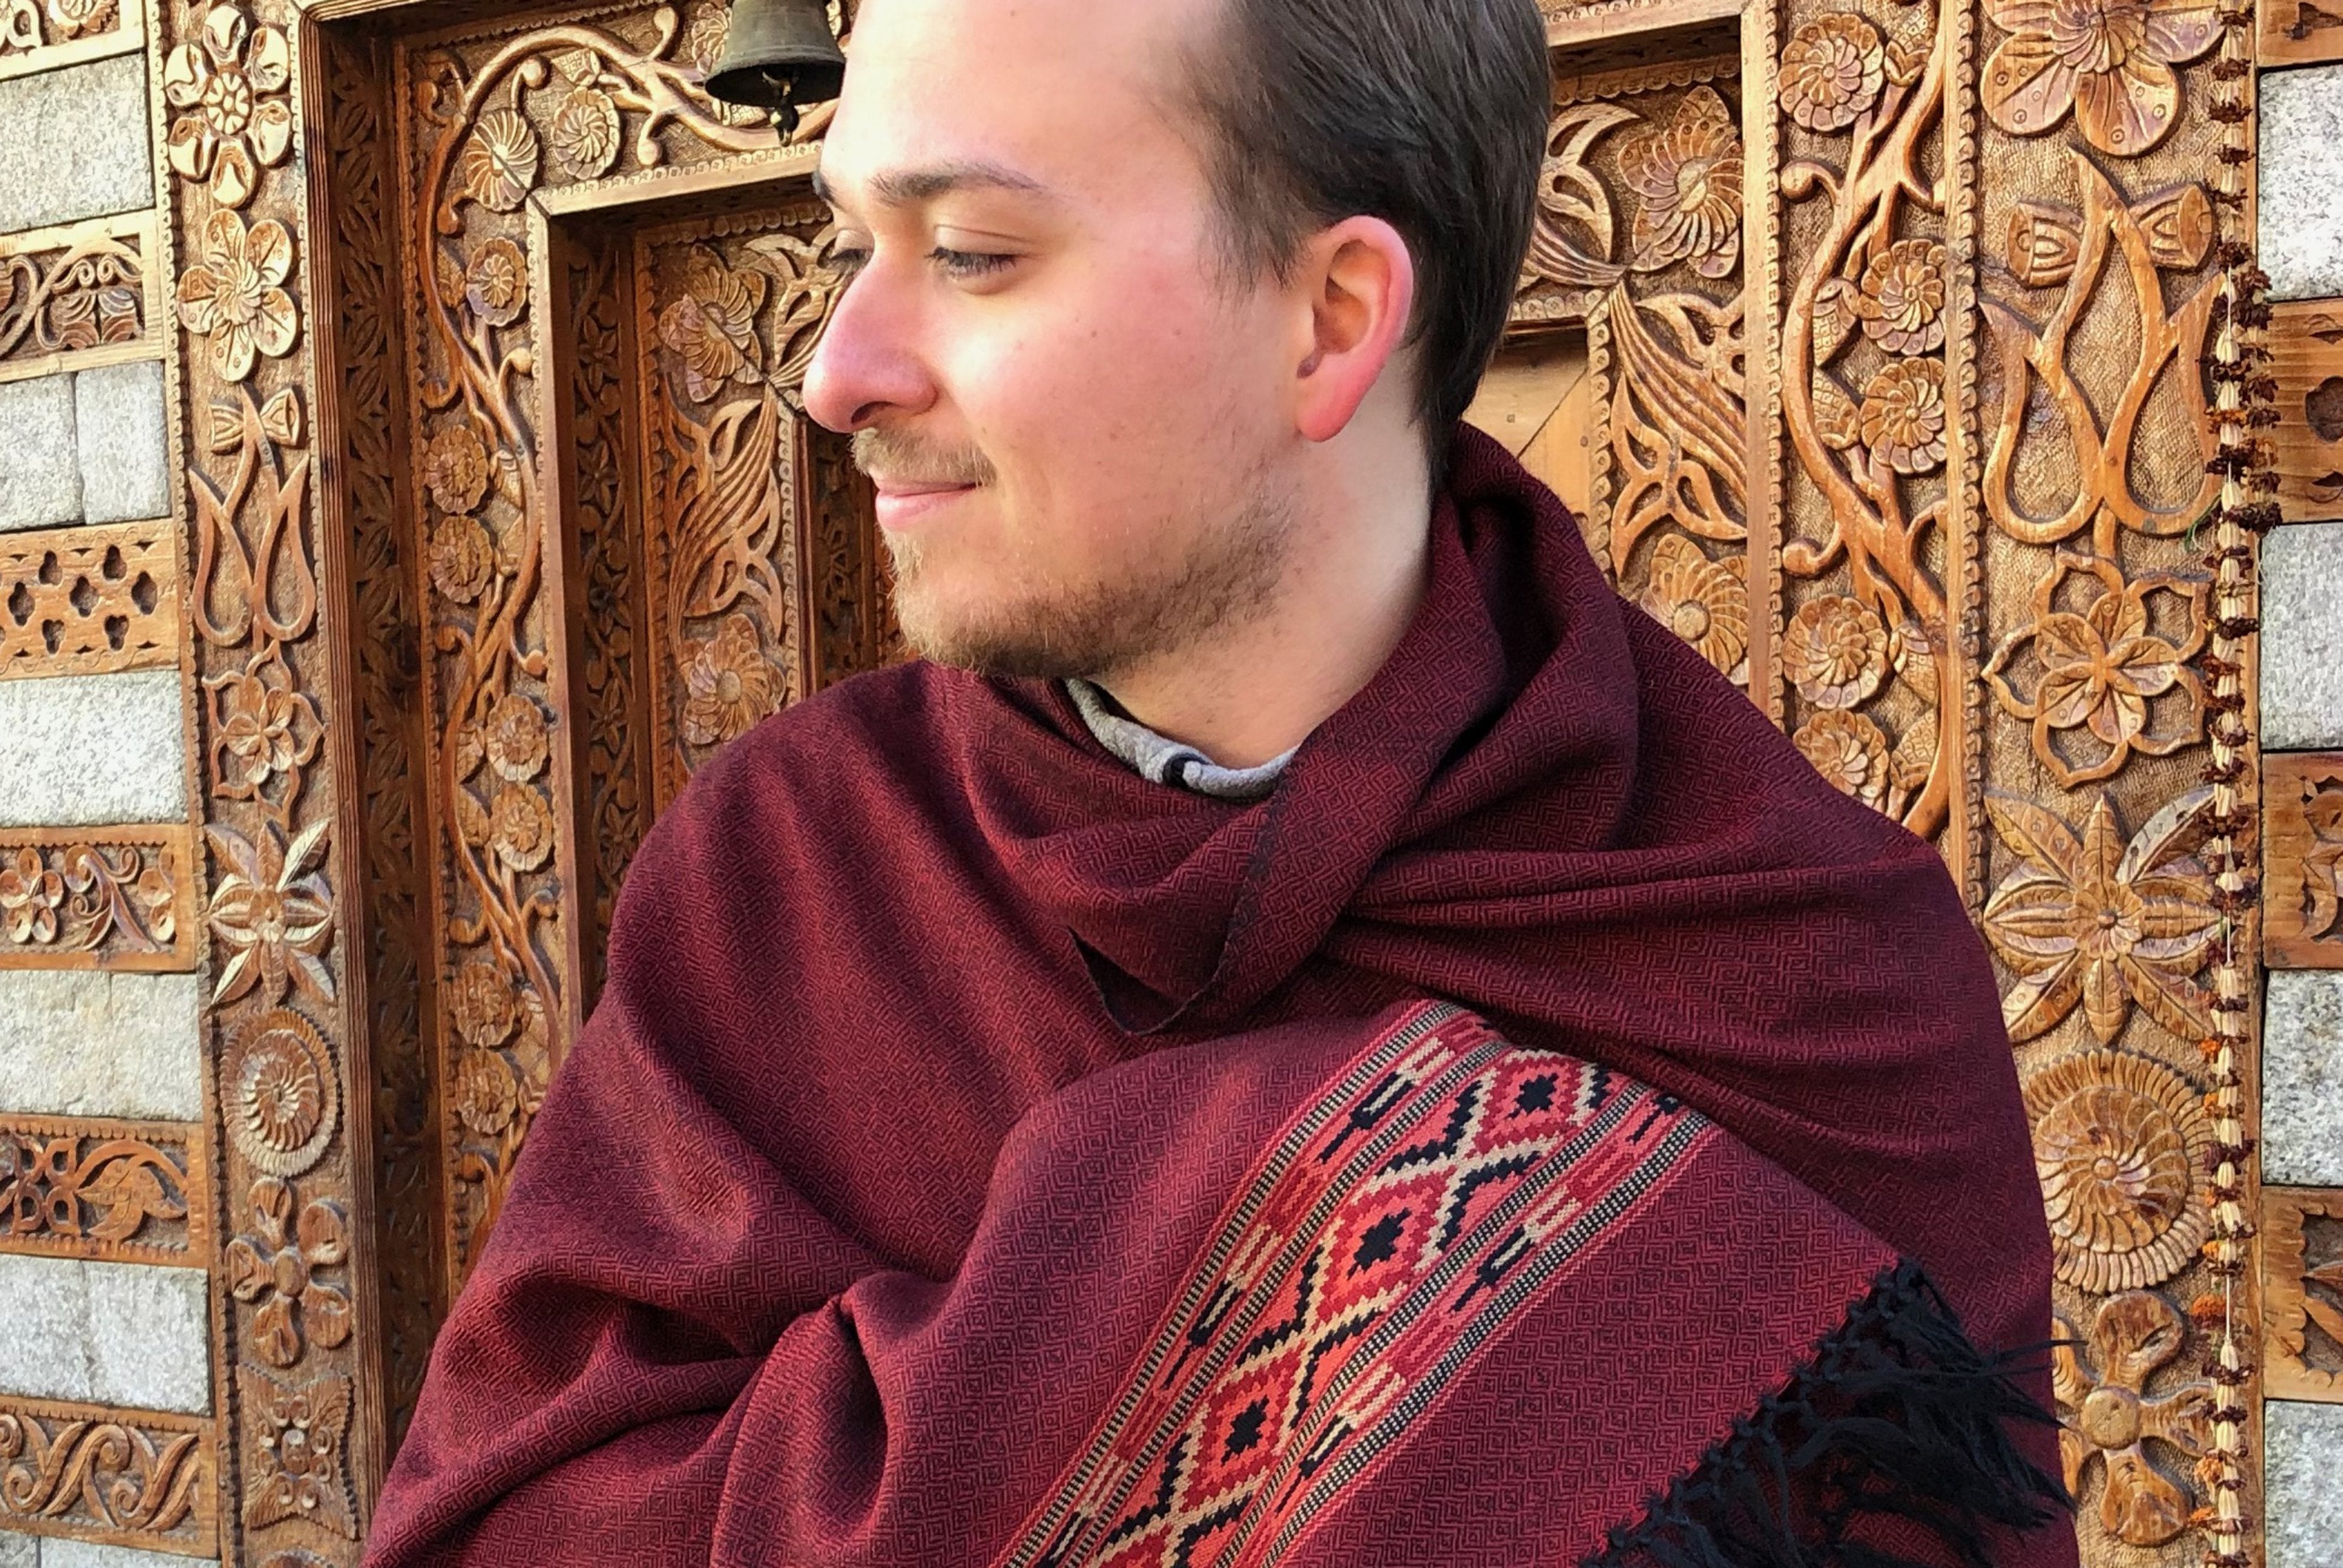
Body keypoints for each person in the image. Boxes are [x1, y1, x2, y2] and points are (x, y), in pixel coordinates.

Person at [365, 0, 2080, 1563]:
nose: (837, 374)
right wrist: (1285, 1213)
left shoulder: (1804, 960)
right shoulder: (786, 866)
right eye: (848, 246)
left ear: (1331, 322)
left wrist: (1290, 1206)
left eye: (969, 252)